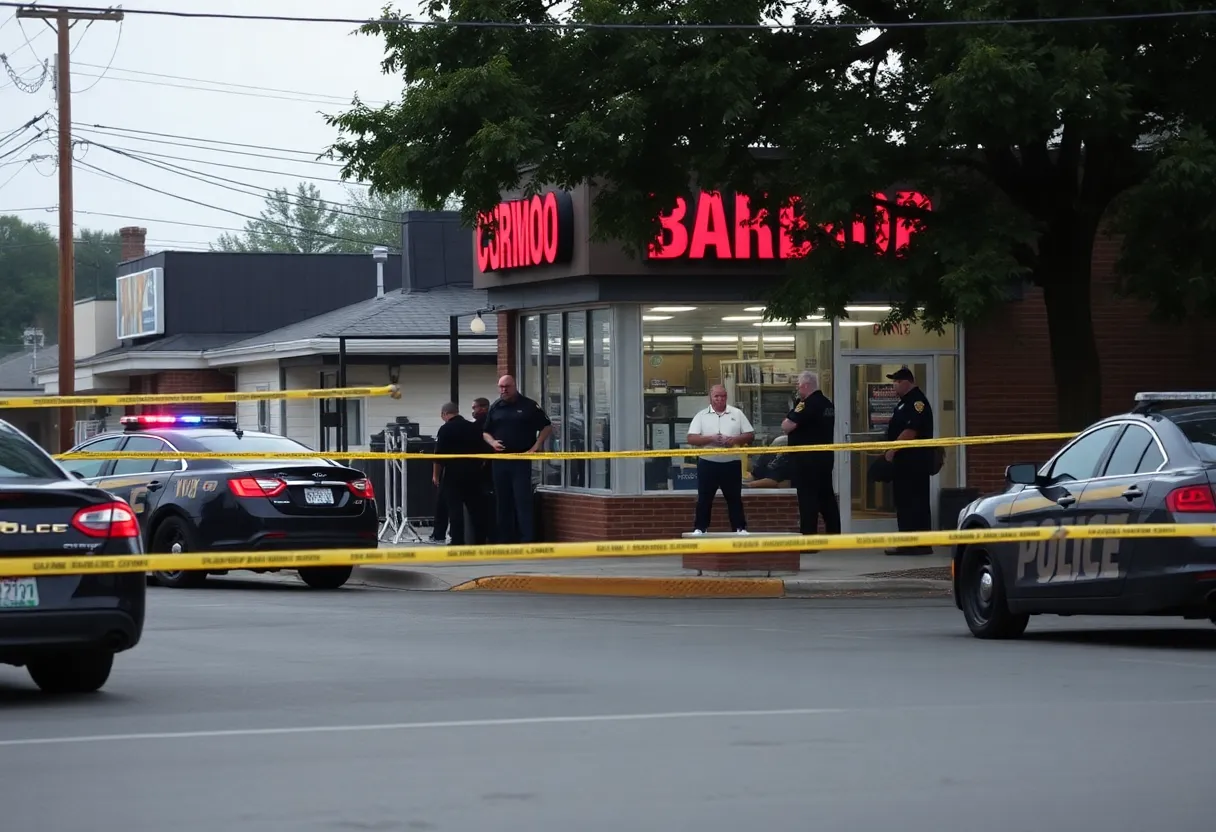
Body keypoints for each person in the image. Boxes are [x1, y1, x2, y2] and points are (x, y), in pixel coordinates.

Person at [482, 375, 552, 543]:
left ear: (514, 386)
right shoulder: (496, 407)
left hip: (520, 459)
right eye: (500, 387)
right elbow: (485, 431)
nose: (503, 390)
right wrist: (492, 442)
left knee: (522, 501)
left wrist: (536, 446)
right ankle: (505, 541)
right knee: (502, 501)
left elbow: (547, 426)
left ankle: (526, 540)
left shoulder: (528, 406)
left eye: (507, 386)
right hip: (500, 460)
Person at [686, 384, 754, 534]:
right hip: (708, 463)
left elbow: (750, 435)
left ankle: (739, 528)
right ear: (710, 397)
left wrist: (733, 440)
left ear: (726, 397)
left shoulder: (737, 414)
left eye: (723, 396)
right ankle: (700, 528)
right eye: (716, 396)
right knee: (704, 498)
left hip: (731, 463)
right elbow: (691, 438)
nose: (720, 399)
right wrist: (710, 439)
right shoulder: (701, 415)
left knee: (734, 498)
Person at [883, 366, 934, 555]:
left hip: (913, 462)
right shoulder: (904, 402)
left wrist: (892, 451)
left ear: (906, 382)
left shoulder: (916, 402)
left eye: (896, 382)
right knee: (906, 502)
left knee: (912, 502)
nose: (894, 386)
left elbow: (911, 431)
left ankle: (914, 544)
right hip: (906, 463)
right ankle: (911, 542)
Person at [782, 370, 841, 535]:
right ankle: (834, 535)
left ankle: (809, 538)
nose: (797, 389)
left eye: (798, 385)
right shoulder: (827, 403)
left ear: (806, 385)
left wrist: (792, 412)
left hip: (806, 460)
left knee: (807, 500)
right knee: (826, 497)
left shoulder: (807, 404)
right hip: (824, 458)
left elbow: (787, 426)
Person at [433, 402, 493, 545]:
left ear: (444, 414)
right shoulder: (473, 427)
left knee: (455, 509)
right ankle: (479, 539)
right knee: (476, 509)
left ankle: (457, 540)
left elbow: (439, 456)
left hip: (453, 474)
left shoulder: (445, 429)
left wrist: (435, 475)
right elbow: (485, 451)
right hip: (474, 473)